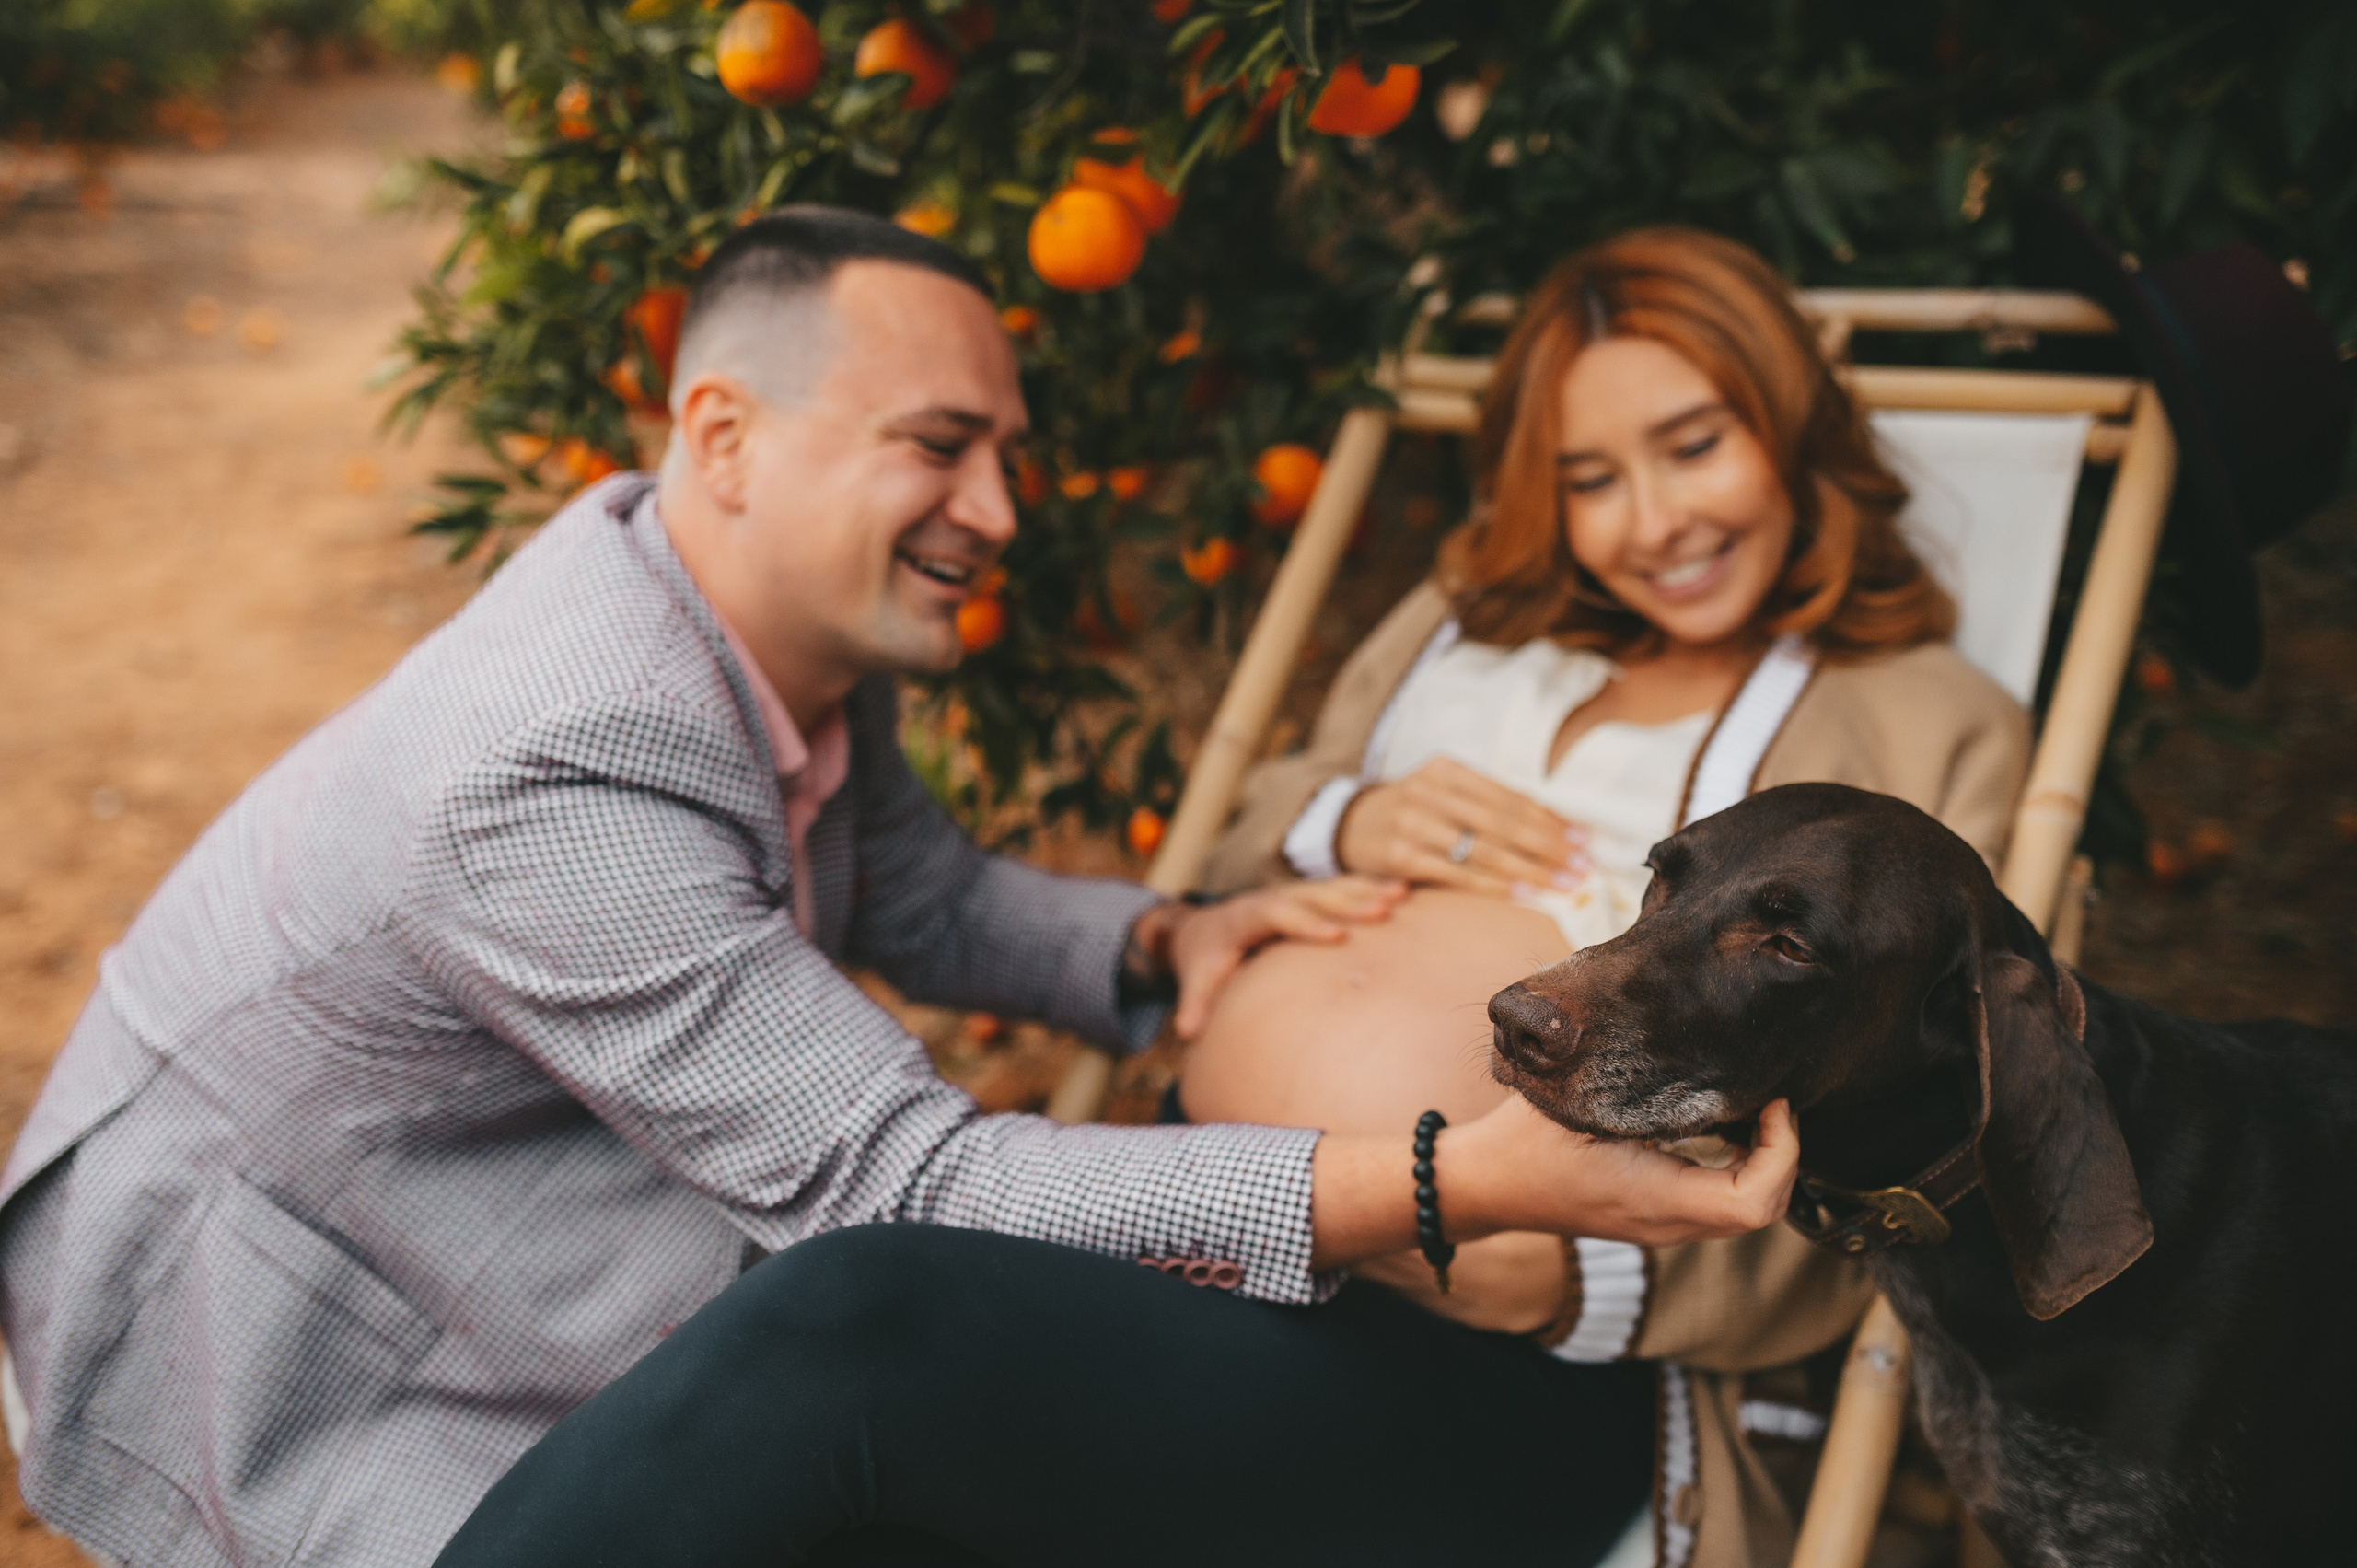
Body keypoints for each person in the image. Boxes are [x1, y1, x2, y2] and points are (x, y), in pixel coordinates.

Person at [0, 208, 1796, 1568]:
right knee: (857, 1327)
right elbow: (906, 1181)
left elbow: (914, 891)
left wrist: (1160, 942)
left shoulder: (737, 622)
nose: (999, 510)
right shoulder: (554, 758)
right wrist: (1446, 1176)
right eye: (940, 446)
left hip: (503, 1222)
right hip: (310, 1322)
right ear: (721, 437)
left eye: (1004, 454)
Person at [1179, 226, 2033, 1568]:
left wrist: (1574, 1271)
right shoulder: (1471, 622)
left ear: (1792, 428)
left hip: (1529, 1312)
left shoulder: (1926, 721)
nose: (1655, 523)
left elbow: (1926, 1124)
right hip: (1206, 1201)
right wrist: (1342, 815)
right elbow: (1213, 859)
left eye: (1696, 446)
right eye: (1590, 479)